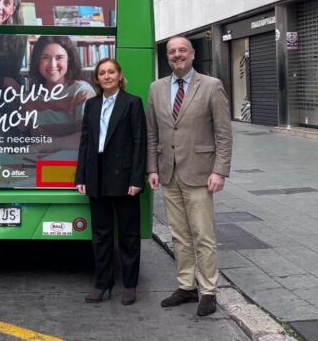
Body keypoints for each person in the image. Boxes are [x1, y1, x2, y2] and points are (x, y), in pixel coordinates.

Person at [146, 36, 232, 317]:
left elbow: (223, 133)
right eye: (172, 52)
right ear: (167, 57)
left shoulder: (211, 86)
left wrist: (219, 170)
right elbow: (152, 134)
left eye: (182, 50)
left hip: (200, 172)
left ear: (193, 54)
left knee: (203, 235)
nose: (177, 55)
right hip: (168, 173)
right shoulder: (156, 88)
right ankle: (186, 286)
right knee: (179, 235)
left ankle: (208, 290)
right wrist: (152, 168)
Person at [75, 58, 146, 306]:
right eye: (102, 73)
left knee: (128, 234)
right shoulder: (92, 105)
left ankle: (130, 285)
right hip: (96, 176)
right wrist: (81, 176)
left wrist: (137, 179)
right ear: (97, 78)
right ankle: (102, 284)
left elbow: (140, 143)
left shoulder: (132, 103)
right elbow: (85, 142)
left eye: (111, 72)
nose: (106, 76)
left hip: (125, 178)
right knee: (101, 235)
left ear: (119, 75)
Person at [25, 36, 94, 152]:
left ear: (69, 60)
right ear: (37, 61)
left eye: (59, 58)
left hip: (71, 166)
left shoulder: (82, 92)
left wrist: (43, 146)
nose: (52, 65)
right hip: (34, 164)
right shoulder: (30, 96)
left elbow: (88, 138)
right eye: (45, 58)